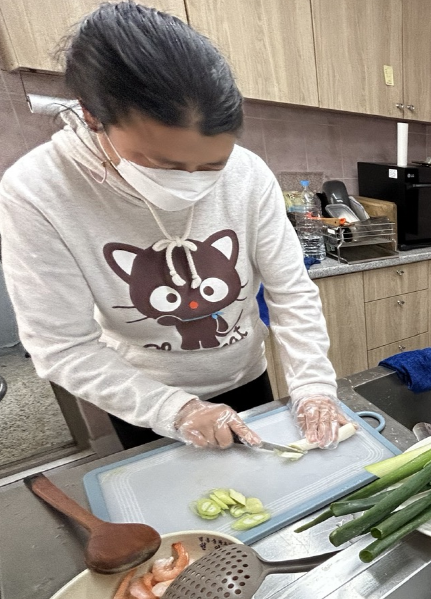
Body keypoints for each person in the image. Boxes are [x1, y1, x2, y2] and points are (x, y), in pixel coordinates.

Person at [0, 2, 348, 450]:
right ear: (92, 116)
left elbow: (291, 292)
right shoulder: (37, 190)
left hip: (245, 374)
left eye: (211, 165)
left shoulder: (247, 173)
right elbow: (62, 346)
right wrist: (176, 411)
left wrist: (313, 386)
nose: (189, 182)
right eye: (162, 163)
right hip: (145, 398)